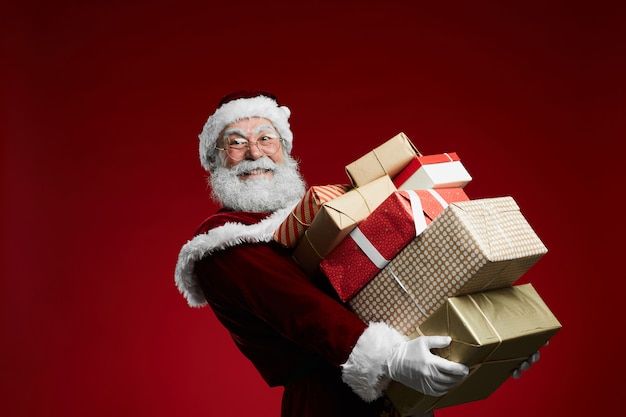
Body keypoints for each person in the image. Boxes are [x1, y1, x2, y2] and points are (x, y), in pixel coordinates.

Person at [174, 92, 538, 417]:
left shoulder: (315, 217)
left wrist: (492, 343)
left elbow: (397, 278)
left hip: (400, 398)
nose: (255, 153)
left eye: (266, 138)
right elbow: (304, 310)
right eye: (236, 143)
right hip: (327, 405)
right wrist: (392, 357)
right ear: (214, 160)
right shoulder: (221, 243)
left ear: (284, 149)